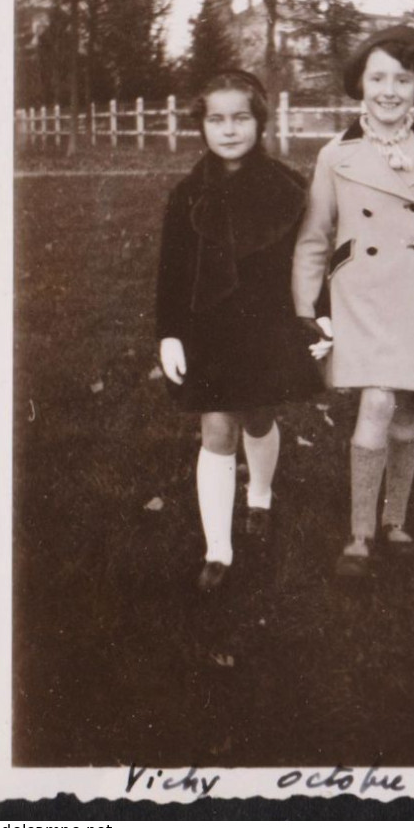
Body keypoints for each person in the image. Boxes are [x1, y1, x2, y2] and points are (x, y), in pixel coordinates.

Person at [292, 25, 414, 576]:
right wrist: (304, 306)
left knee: (409, 413)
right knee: (375, 402)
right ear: (359, 84)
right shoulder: (335, 156)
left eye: (403, 78)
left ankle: (397, 521)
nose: (389, 90)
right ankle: (360, 535)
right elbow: (314, 237)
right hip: (361, 297)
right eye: (377, 78)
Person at [156, 70, 321, 591]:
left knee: (258, 417)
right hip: (209, 331)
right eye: (216, 119)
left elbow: (310, 260)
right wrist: (170, 333)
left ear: (260, 121)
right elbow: (172, 273)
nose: (229, 130)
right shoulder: (187, 195)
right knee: (217, 429)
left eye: (241, 118)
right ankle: (218, 550)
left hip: (267, 327)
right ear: (201, 126)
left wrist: (319, 313)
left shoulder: (287, 188)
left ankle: (261, 496)